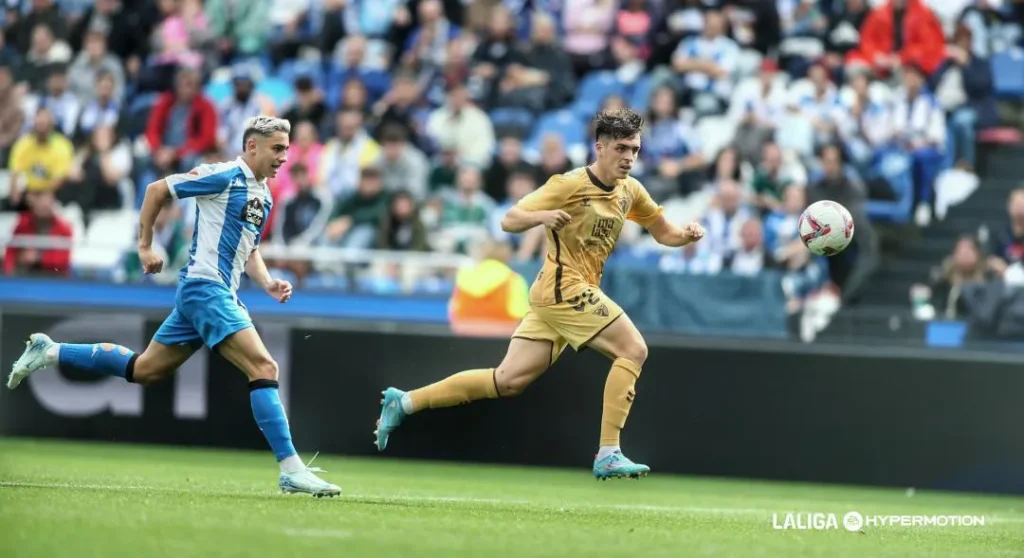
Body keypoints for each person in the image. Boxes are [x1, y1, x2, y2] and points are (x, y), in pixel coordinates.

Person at [6, 116, 341, 498]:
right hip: (205, 290)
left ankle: (50, 350)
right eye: (278, 148)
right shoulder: (223, 175)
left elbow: (250, 248)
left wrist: (267, 282)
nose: (285, 156)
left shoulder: (263, 194)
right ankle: (292, 469)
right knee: (264, 366)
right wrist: (146, 245)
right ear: (252, 147)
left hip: (212, 294)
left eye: (287, 148)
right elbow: (155, 189)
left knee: (144, 369)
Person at [374, 109, 706, 480]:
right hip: (565, 288)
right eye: (622, 148)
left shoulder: (631, 191)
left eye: (635, 150)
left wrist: (686, 235)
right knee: (633, 350)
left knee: (507, 381)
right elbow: (509, 219)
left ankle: (404, 402)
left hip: (559, 295)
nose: (629, 157)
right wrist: (543, 217)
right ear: (600, 147)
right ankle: (609, 451)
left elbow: (663, 232)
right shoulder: (567, 185)